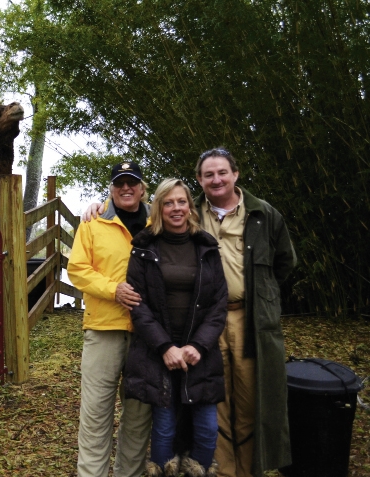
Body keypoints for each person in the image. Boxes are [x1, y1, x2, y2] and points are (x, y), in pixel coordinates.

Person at [83, 148, 296, 477]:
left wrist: (260, 294)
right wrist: (99, 210)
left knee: (238, 397)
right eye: (208, 174)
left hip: (229, 321)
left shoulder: (252, 215)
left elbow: (283, 264)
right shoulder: (115, 223)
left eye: (222, 172)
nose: (216, 180)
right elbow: (82, 270)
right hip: (141, 327)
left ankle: (239, 469)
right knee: (106, 413)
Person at [123, 178, 227, 477]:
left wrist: (198, 345)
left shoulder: (206, 247)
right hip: (160, 351)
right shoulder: (144, 248)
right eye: (168, 203)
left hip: (200, 351)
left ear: (190, 207)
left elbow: (218, 303)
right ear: (158, 208)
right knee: (165, 426)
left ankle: (200, 471)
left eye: (181, 202)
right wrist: (166, 347)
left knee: (207, 427)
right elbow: (138, 306)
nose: (176, 208)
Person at [68, 161, 153, 477]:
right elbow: (78, 269)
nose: (126, 188)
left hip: (147, 332)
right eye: (120, 183)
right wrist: (112, 290)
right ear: (111, 188)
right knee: (96, 411)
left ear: (143, 188)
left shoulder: (159, 223)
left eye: (132, 182)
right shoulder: (93, 223)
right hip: (105, 327)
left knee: (139, 411)